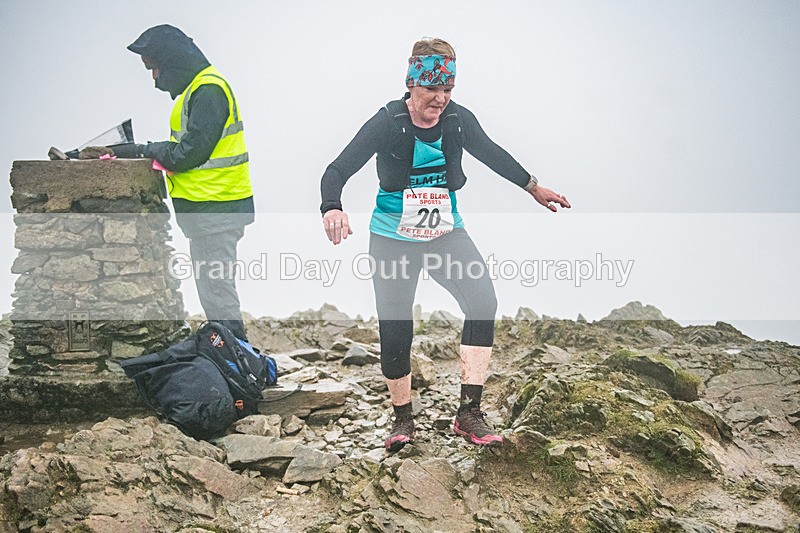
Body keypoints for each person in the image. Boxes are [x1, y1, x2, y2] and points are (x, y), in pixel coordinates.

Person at [320, 38, 570, 452]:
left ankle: (468, 412)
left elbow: (491, 153)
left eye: (448, 90)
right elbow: (337, 168)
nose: (440, 99)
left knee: (482, 303)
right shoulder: (387, 121)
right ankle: (402, 419)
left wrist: (532, 187)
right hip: (392, 239)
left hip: (444, 234)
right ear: (412, 84)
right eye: (432, 90)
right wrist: (332, 207)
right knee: (396, 323)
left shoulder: (456, 120)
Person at [127, 24, 253, 340]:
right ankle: (239, 366)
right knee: (215, 292)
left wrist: (150, 149)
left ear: (173, 60)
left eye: (155, 67)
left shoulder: (208, 90)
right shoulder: (200, 88)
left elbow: (190, 152)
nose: (154, 77)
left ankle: (242, 369)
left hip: (217, 208)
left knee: (217, 294)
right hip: (210, 209)